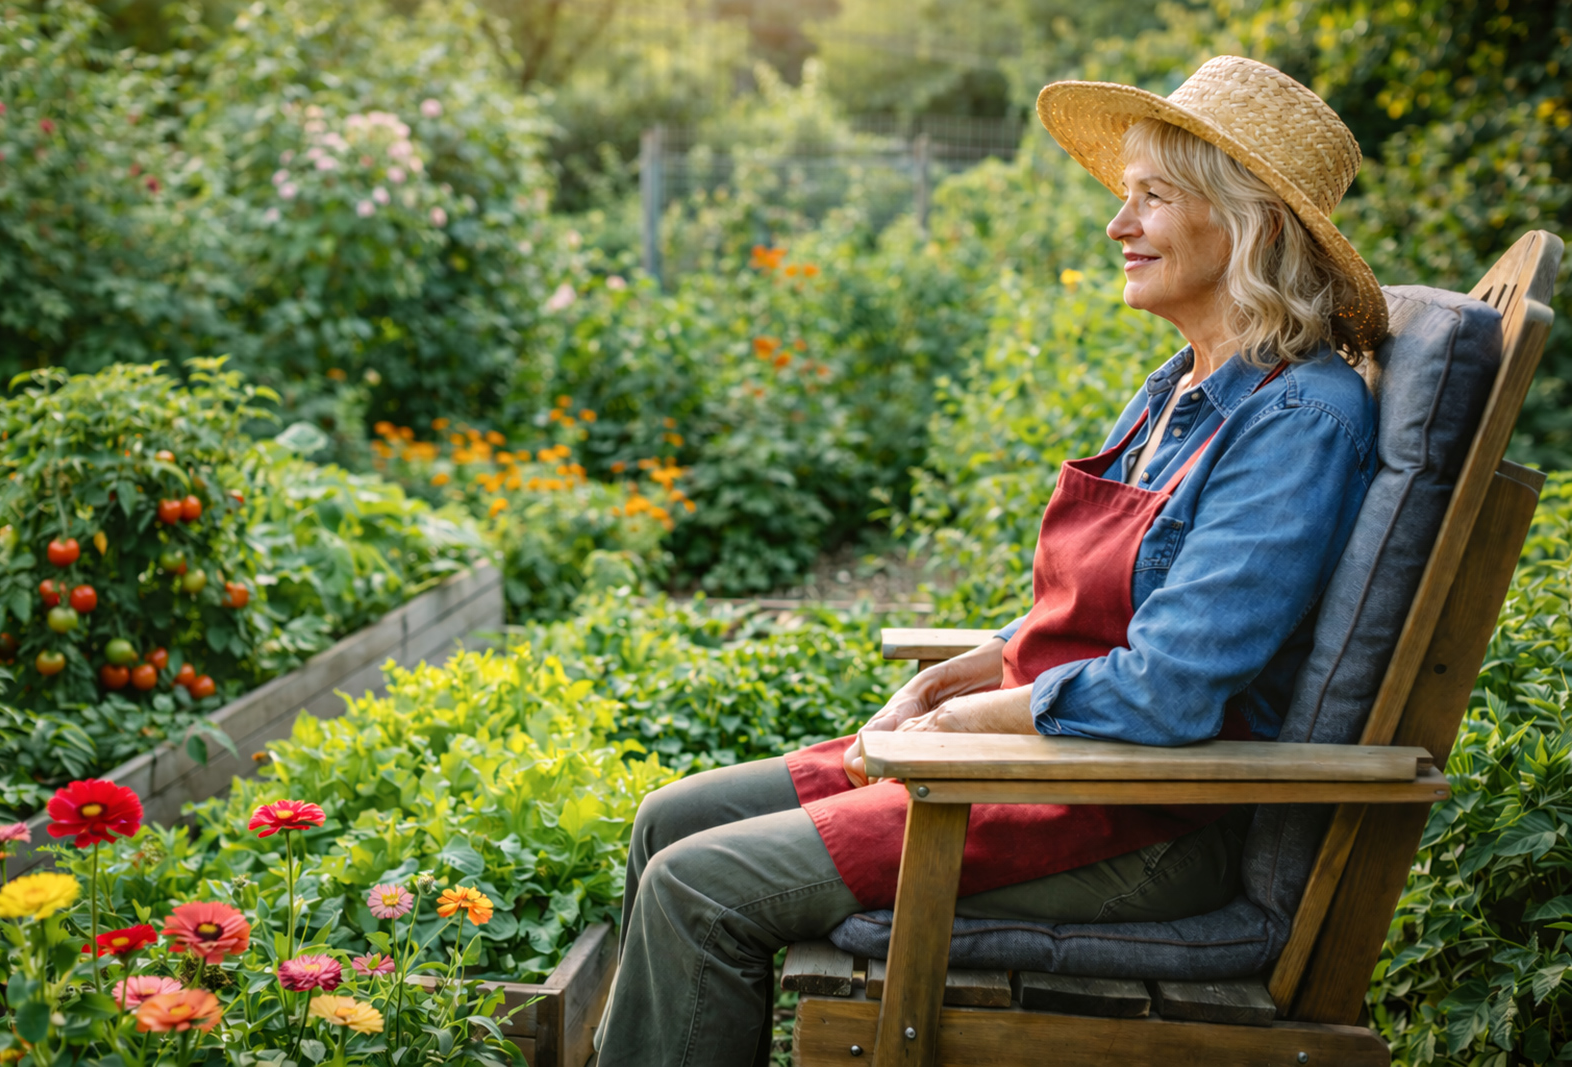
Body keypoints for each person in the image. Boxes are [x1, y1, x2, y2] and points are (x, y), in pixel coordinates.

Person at [593, 55, 1386, 1067]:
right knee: (670, 818)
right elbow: (1126, 602)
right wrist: (969, 664)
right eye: (1124, 195)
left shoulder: (1296, 421)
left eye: (1153, 197)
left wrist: (963, 723)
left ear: (1255, 227)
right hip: (1046, 763)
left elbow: (1171, 688)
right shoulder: (1176, 386)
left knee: (695, 885)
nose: (1116, 224)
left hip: (1138, 816)